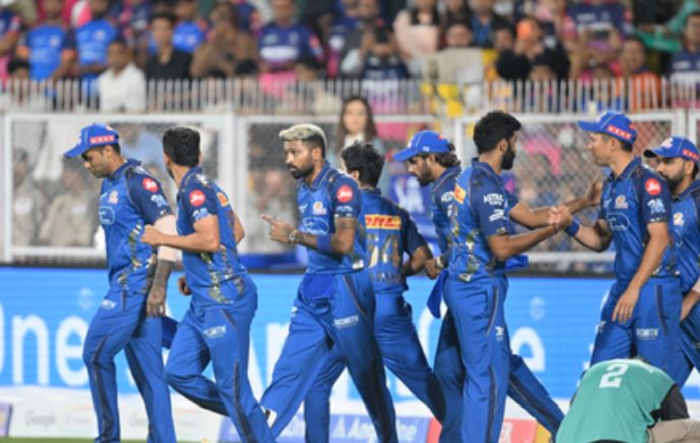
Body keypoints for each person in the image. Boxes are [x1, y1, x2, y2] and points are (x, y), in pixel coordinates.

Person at [394, 128, 572, 442]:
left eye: (413, 161)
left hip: (475, 287)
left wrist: (444, 261)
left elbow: (471, 242)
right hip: (465, 285)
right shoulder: (470, 180)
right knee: (463, 369)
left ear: (431, 158)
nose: (409, 169)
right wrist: (581, 203)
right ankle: (565, 428)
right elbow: (528, 217)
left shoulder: (450, 190)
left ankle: (564, 429)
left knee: (486, 372)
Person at [258, 124, 397, 442]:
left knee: (368, 379)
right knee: (290, 374)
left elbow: (344, 244)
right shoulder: (303, 188)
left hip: (347, 289)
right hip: (314, 288)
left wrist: (294, 235)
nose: (288, 159)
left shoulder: (342, 185)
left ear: (317, 153)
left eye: (295, 152)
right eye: (286, 153)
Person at [140, 127, 275, 443]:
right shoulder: (209, 187)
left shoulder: (194, 192)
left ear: (166, 158)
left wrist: (162, 238)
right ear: (199, 155)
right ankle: (251, 412)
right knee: (178, 372)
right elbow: (236, 232)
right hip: (204, 299)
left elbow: (212, 240)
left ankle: (248, 413)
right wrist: (197, 270)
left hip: (225, 299)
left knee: (232, 389)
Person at [303, 142, 444, 442]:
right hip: (390, 309)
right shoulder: (397, 212)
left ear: (353, 176)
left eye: (341, 172)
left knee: (317, 383)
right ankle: (472, 433)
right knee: (426, 385)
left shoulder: (340, 212)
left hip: (353, 310)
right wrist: (395, 274)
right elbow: (422, 257)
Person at [63, 124, 177, 443]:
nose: (85, 165)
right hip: (129, 286)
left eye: (88, 157)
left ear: (107, 150)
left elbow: (168, 226)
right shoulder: (109, 184)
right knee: (150, 376)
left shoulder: (137, 181)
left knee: (95, 354)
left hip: (133, 286)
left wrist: (159, 285)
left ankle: (107, 438)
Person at [570, 110, 681, 377]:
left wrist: (633, 290)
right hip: (624, 289)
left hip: (651, 289)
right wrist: (568, 225)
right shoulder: (609, 186)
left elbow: (660, 239)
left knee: (653, 380)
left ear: (612, 143)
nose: (588, 145)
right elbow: (599, 240)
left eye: (593, 139)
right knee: (597, 375)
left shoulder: (648, 182)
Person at [644, 137, 700, 387]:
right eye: (658, 162)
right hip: (673, 313)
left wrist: (690, 301)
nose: (659, 168)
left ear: (688, 166)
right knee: (657, 392)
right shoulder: (658, 204)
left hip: (692, 308)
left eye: (668, 162)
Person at [557, 358, 700, 443]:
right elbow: (678, 421)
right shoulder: (658, 377)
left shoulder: (591, 373)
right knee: (693, 430)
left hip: (568, 439)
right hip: (624, 438)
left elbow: (574, 410)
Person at [98, 39, 147, 113]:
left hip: (131, 119)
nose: (114, 57)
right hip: (106, 119)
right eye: (111, 54)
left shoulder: (137, 76)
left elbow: (138, 105)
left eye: (118, 53)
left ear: (127, 55)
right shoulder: (103, 78)